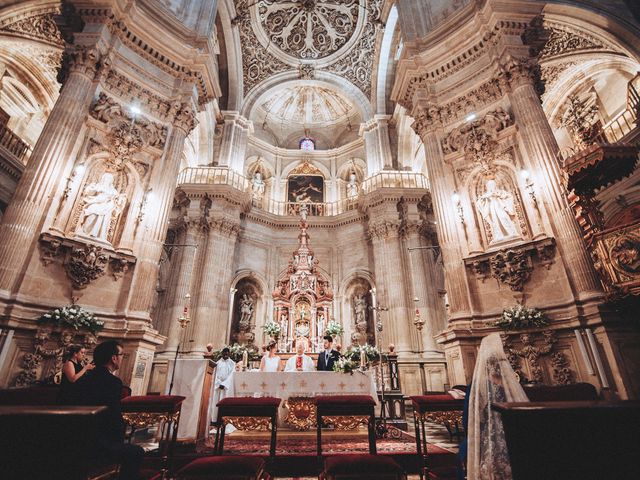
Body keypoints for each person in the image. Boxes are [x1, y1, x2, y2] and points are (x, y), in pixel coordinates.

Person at [467, 333, 528, 480]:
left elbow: (474, 415)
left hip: (488, 431)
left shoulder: (479, 385)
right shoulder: (511, 384)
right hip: (513, 428)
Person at [79, 340, 143, 480]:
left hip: (80, 438)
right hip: (100, 442)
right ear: (113, 358)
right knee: (136, 452)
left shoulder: (84, 379)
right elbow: (113, 416)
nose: (122, 358)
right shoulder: (112, 382)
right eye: (121, 355)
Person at [78, 172, 125, 241]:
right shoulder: (98, 186)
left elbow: (116, 200)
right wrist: (91, 188)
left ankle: (98, 235)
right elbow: (89, 192)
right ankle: (85, 231)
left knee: (104, 217)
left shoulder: (113, 190)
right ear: (103, 178)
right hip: (96, 202)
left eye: (109, 178)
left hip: (107, 207)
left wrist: (120, 199)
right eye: (106, 178)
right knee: (92, 211)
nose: (107, 179)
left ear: (111, 180)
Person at [476, 178, 518, 243]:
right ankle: (499, 235)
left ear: (495, 185)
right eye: (489, 185)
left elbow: (508, 196)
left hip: (500, 207)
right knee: (495, 221)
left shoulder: (500, 191)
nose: (491, 186)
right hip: (493, 209)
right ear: (487, 187)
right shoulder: (487, 194)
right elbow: (480, 202)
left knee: (504, 217)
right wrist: (486, 197)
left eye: (492, 185)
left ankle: (511, 232)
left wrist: (498, 195)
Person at [210, 347, 236, 423]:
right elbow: (215, 374)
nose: (226, 354)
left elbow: (232, 375)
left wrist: (224, 384)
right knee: (216, 402)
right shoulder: (217, 363)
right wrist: (219, 383)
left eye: (227, 352)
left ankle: (225, 420)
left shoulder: (232, 364)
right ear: (222, 353)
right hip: (218, 387)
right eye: (224, 352)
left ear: (229, 354)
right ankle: (215, 420)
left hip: (226, 387)